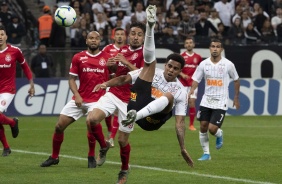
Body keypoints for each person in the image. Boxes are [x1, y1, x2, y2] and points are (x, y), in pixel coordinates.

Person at [91, 5, 194, 183]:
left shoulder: (180, 90)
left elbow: (179, 123)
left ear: (179, 72)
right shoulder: (157, 71)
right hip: (136, 104)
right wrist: (105, 83)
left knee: (167, 94)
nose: (170, 70)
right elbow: (123, 79)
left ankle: (124, 166)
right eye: (169, 66)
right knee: (150, 65)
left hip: (152, 119)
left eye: (175, 69)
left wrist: (183, 148)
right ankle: (151, 27)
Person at [40, 31, 111, 168]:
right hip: (80, 98)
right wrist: (77, 95)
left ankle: (91, 155)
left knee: (91, 125)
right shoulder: (78, 57)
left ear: (100, 41)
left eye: (96, 38)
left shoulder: (108, 58)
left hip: (98, 100)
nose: (94, 40)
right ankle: (54, 157)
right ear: (86, 41)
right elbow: (72, 79)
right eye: (91, 38)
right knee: (59, 126)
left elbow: (113, 79)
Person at [86, 20, 145, 183]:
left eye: (139, 35)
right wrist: (111, 67)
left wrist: (126, 62)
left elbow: (143, 76)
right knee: (91, 119)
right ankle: (104, 145)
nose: (135, 37)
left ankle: (124, 169)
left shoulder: (146, 54)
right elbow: (116, 75)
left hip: (131, 100)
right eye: (133, 34)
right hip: (114, 93)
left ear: (144, 38)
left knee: (121, 140)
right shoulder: (123, 50)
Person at [188, 38, 240, 161]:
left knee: (212, 129)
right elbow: (196, 79)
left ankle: (219, 134)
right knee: (203, 126)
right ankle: (206, 154)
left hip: (221, 101)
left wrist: (236, 97)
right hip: (206, 100)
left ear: (221, 49)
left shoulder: (228, 64)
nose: (215, 49)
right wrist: (191, 90)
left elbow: (236, 80)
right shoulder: (203, 64)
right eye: (213, 46)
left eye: (217, 46)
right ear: (210, 48)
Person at [0, 25, 35, 156]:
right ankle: (7, 147)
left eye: (2, 34)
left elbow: (25, 67)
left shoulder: (14, 51)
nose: (0, 37)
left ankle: (12, 122)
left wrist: (31, 83)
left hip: (7, 90)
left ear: (6, 37)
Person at [102, 27, 127, 148]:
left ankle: (111, 137)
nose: (120, 36)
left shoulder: (127, 50)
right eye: (117, 34)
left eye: (122, 34)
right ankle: (109, 131)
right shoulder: (107, 49)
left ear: (125, 36)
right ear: (113, 36)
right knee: (107, 113)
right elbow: (101, 63)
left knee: (117, 112)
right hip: (109, 82)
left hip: (122, 84)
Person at [179, 37, 202, 131]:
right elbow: (177, 70)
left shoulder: (198, 57)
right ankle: (180, 122)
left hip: (193, 85)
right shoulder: (181, 57)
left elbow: (201, 70)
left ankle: (191, 125)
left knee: (192, 102)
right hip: (182, 84)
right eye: (187, 43)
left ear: (193, 44)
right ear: (185, 45)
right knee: (182, 104)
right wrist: (182, 74)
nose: (189, 44)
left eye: (190, 43)